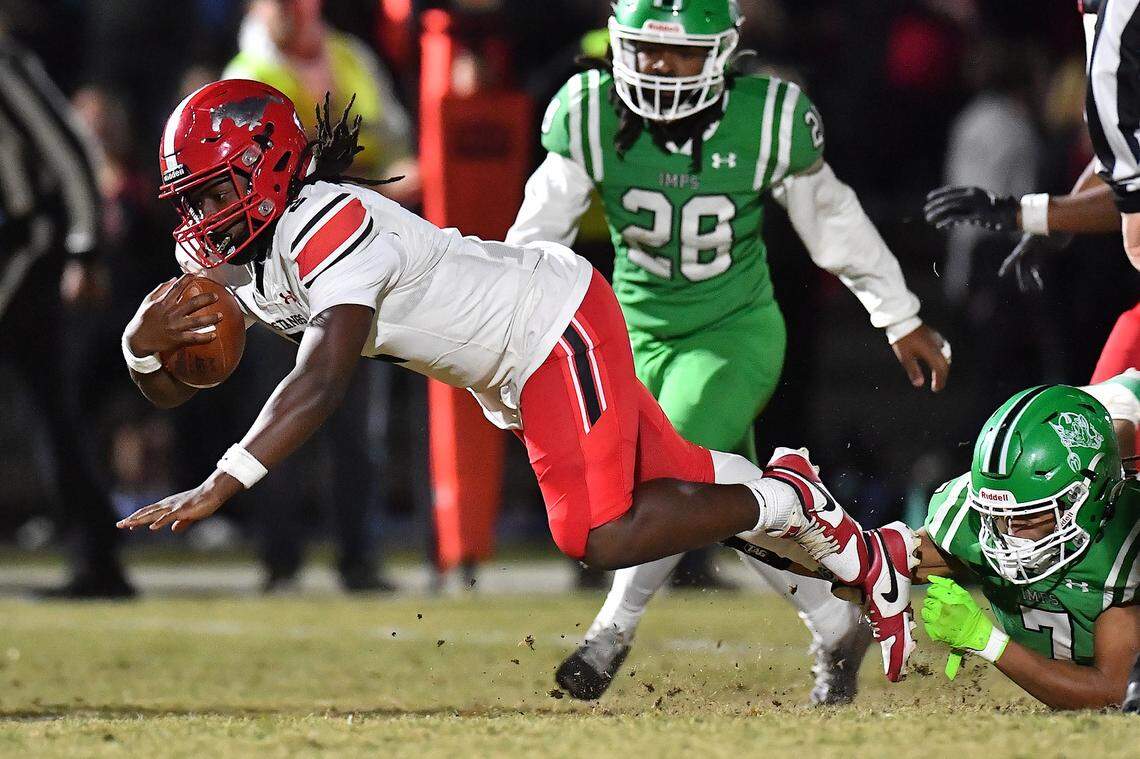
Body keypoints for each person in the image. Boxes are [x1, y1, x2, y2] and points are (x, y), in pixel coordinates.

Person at [115, 79, 919, 683]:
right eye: (192, 200)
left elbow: (322, 375)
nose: (203, 217)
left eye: (215, 190)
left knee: (596, 534)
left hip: (547, 329)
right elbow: (178, 383)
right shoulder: (225, 254)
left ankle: (790, 499)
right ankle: (855, 554)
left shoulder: (331, 220)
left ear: (270, 165)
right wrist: (142, 351)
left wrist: (225, 481)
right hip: (514, 363)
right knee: (677, 477)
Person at [505, 0, 950, 703]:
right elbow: (535, 237)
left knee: (669, 472)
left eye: (681, 52)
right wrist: (509, 327)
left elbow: (830, 217)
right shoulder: (589, 112)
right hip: (632, 337)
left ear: (722, 54)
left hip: (732, 331)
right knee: (734, 501)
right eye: (647, 48)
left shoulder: (764, 116)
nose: (659, 65)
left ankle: (610, 631)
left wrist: (897, 314)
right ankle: (836, 621)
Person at [0, 28, 134, 598]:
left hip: (28, 245)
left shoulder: (5, 66)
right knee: (52, 409)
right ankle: (99, 550)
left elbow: (72, 149)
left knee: (53, 409)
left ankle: (99, 551)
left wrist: (84, 249)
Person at [916, 376, 1140, 709]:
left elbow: (1115, 693)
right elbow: (880, 560)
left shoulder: (1123, 543)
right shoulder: (974, 520)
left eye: (1029, 516)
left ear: (1088, 498)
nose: (1010, 534)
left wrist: (987, 641)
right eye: (998, 514)